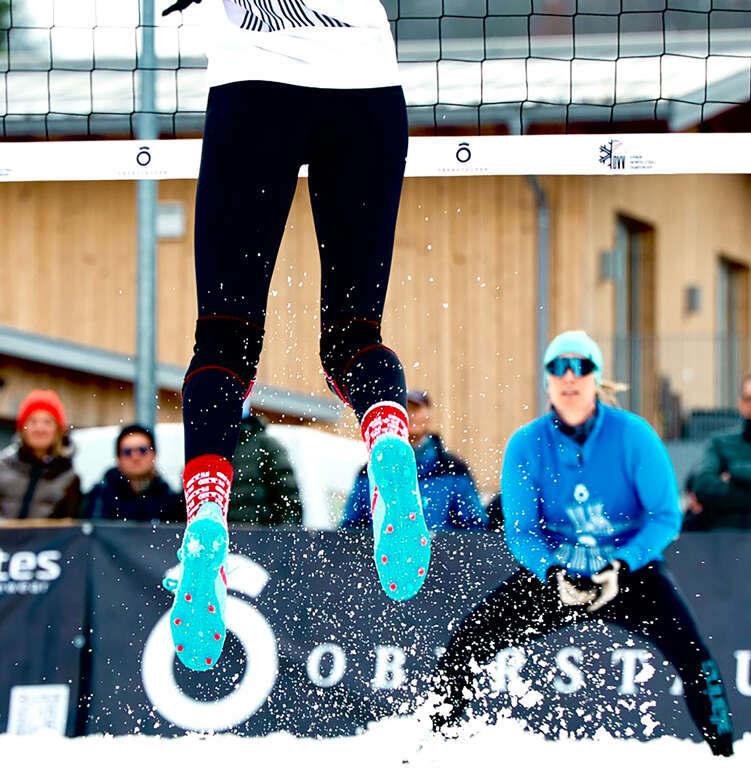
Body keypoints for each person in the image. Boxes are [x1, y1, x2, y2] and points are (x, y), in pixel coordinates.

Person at [160, 0, 429, 671]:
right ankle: (389, 438)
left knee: (223, 341)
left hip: (256, 92)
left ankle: (205, 521)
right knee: (353, 335)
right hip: (364, 90)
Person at [429, 331, 734, 757]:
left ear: (597, 378)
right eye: (558, 367)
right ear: (547, 381)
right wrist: (552, 572)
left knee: (695, 658)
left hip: (628, 574)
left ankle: (727, 757)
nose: (569, 377)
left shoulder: (634, 435)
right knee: (467, 641)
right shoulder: (526, 444)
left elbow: (666, 517)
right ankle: (437, 746)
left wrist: (622, 565)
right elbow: (521, 530)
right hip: (556, 573)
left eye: (581, 367)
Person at [342, 390, 488, 531]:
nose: (410, 416)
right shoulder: (372, 471)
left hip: (443, 555)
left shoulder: (453, 470)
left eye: (415, 409)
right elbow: (350, 529)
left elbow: (475, 528)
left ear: (429, 416)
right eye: (404, 410)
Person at [686, 372, 751, 530]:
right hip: (723, 540)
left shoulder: (726, 456)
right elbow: (703, 485)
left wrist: (734, 471)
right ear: (741, 404)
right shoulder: (720, 442)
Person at [0, 390, 80, 520]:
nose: (40, 429)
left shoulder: (69, 478)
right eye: (32, 421)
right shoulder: (3, 467)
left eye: (47, 422)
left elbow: (68, 530)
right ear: (22, 428)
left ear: (58, 430)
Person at [82, 424, 184, 523]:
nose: (135, 457)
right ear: (118, 458)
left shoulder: (169, 498)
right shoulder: (101, 495)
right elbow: (93, 533)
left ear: (154, 454)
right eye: (127, 452)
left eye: (142, 450)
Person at [228, 405, 302, 526]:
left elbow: (289, 498)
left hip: (259, 537)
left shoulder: (266, 445)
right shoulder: (213, 450)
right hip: (220, 538)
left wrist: (284, 537)